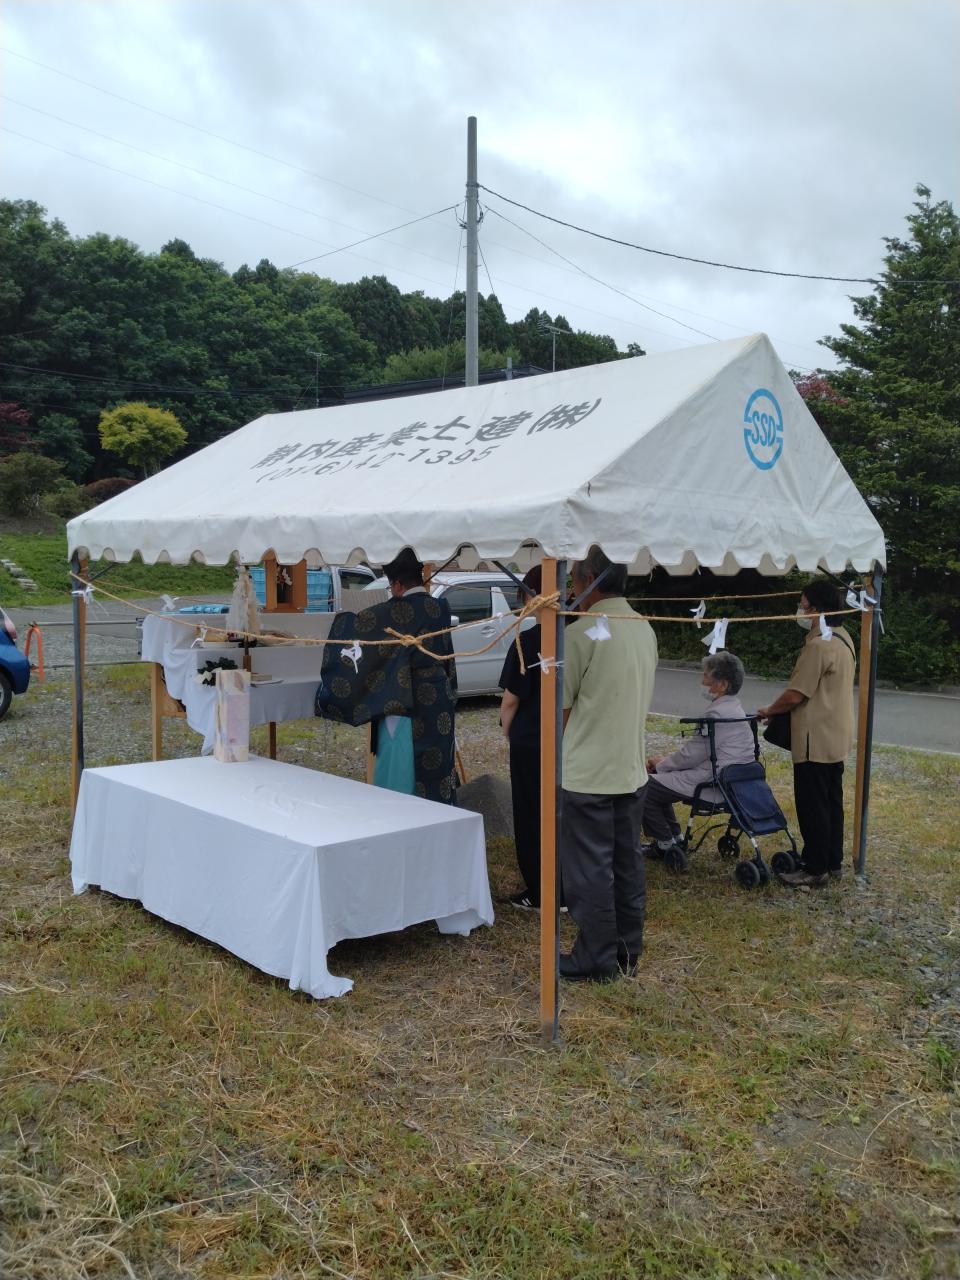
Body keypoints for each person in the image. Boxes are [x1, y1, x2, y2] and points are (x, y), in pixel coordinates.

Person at [559, 547, 658, 982]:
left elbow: (560, 711)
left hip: (589, 774)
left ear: (590, 579)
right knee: (626, 863)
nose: (571, 588)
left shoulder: (580, 633)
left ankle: (596, 958)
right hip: (629, 769)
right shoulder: (644, 628)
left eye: (576, 578)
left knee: (591, 871)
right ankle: (625, 952)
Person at [315, 549, 459, 804]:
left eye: (392, 586)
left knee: (402, 773)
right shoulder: (441, 607)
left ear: (398, 584)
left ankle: (400, 826)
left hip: (405, 700)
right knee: (438, 768)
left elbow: (349, 627)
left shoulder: (393, 611)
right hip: (439, 699)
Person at [756, 580, 856, 887]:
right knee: (831, 802)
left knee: (813, 806)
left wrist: (769, 710)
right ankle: (832, 862)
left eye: (805, 605)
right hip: (836, 735)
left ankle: (815, 869)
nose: (801, 611)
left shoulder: (818, 646)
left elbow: (796, 694)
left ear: (819, 609)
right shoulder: (845, 638)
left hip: (814, 738)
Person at [642, 651, 755, 870]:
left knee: (643, 786)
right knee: (661, 783)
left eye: (706, 677)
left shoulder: (715, 716)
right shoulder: (736, 709)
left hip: (710, 782)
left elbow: (690, 755)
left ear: (721, 684)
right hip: (732, 780)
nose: (702, 681)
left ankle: (665, 842)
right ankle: (673, 837)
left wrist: (660, 763)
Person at [498, 566, 547, 910]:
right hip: (569, 739)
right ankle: (566, 886)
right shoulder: (578, 634)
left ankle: (540, 890)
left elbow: (511, 699)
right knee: (562, 813)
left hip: (531, 740)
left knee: (531, 814)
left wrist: (506, 728)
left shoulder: (527, 640)